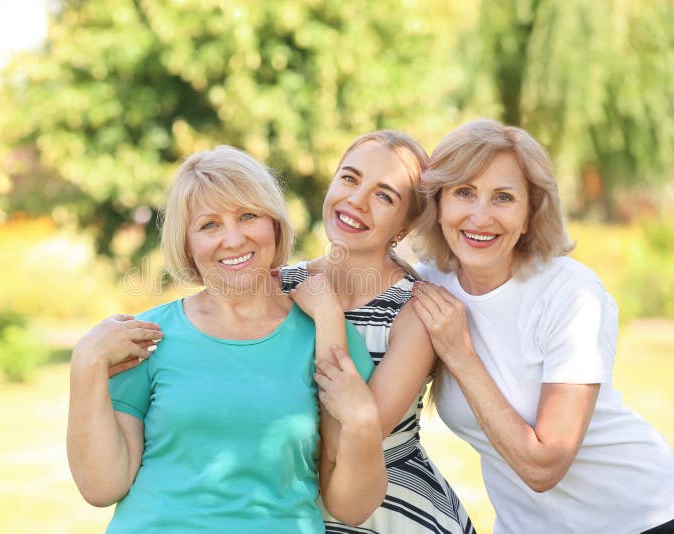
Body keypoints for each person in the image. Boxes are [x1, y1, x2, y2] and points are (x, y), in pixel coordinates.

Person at [67, 145, 387, 533]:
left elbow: (351, 507)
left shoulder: (327, 336)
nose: (233, 240)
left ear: (274, 225)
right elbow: (103, 487)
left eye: (248, 216)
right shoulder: (148, 338)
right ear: (187, 244)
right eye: (209, 225)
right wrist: (86, 361)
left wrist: (365, 421)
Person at [410, 118, 674, 534]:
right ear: (438, 204)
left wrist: (461, 353)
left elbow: (544, 464)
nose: (480, 216)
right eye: (464, 192)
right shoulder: (424, 285)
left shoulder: (571, 293)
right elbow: (342, 280)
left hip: (642, 518)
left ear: (530, 214)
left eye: (503, 197)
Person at [281, 130, 476, 533]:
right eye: (349, 178)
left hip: (392, 514)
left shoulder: (416, 312)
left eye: (383, 195)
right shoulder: (279, 287)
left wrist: (329, 315)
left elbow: (355, 436)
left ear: (404, 226)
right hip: (290, 508)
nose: (356, 201)